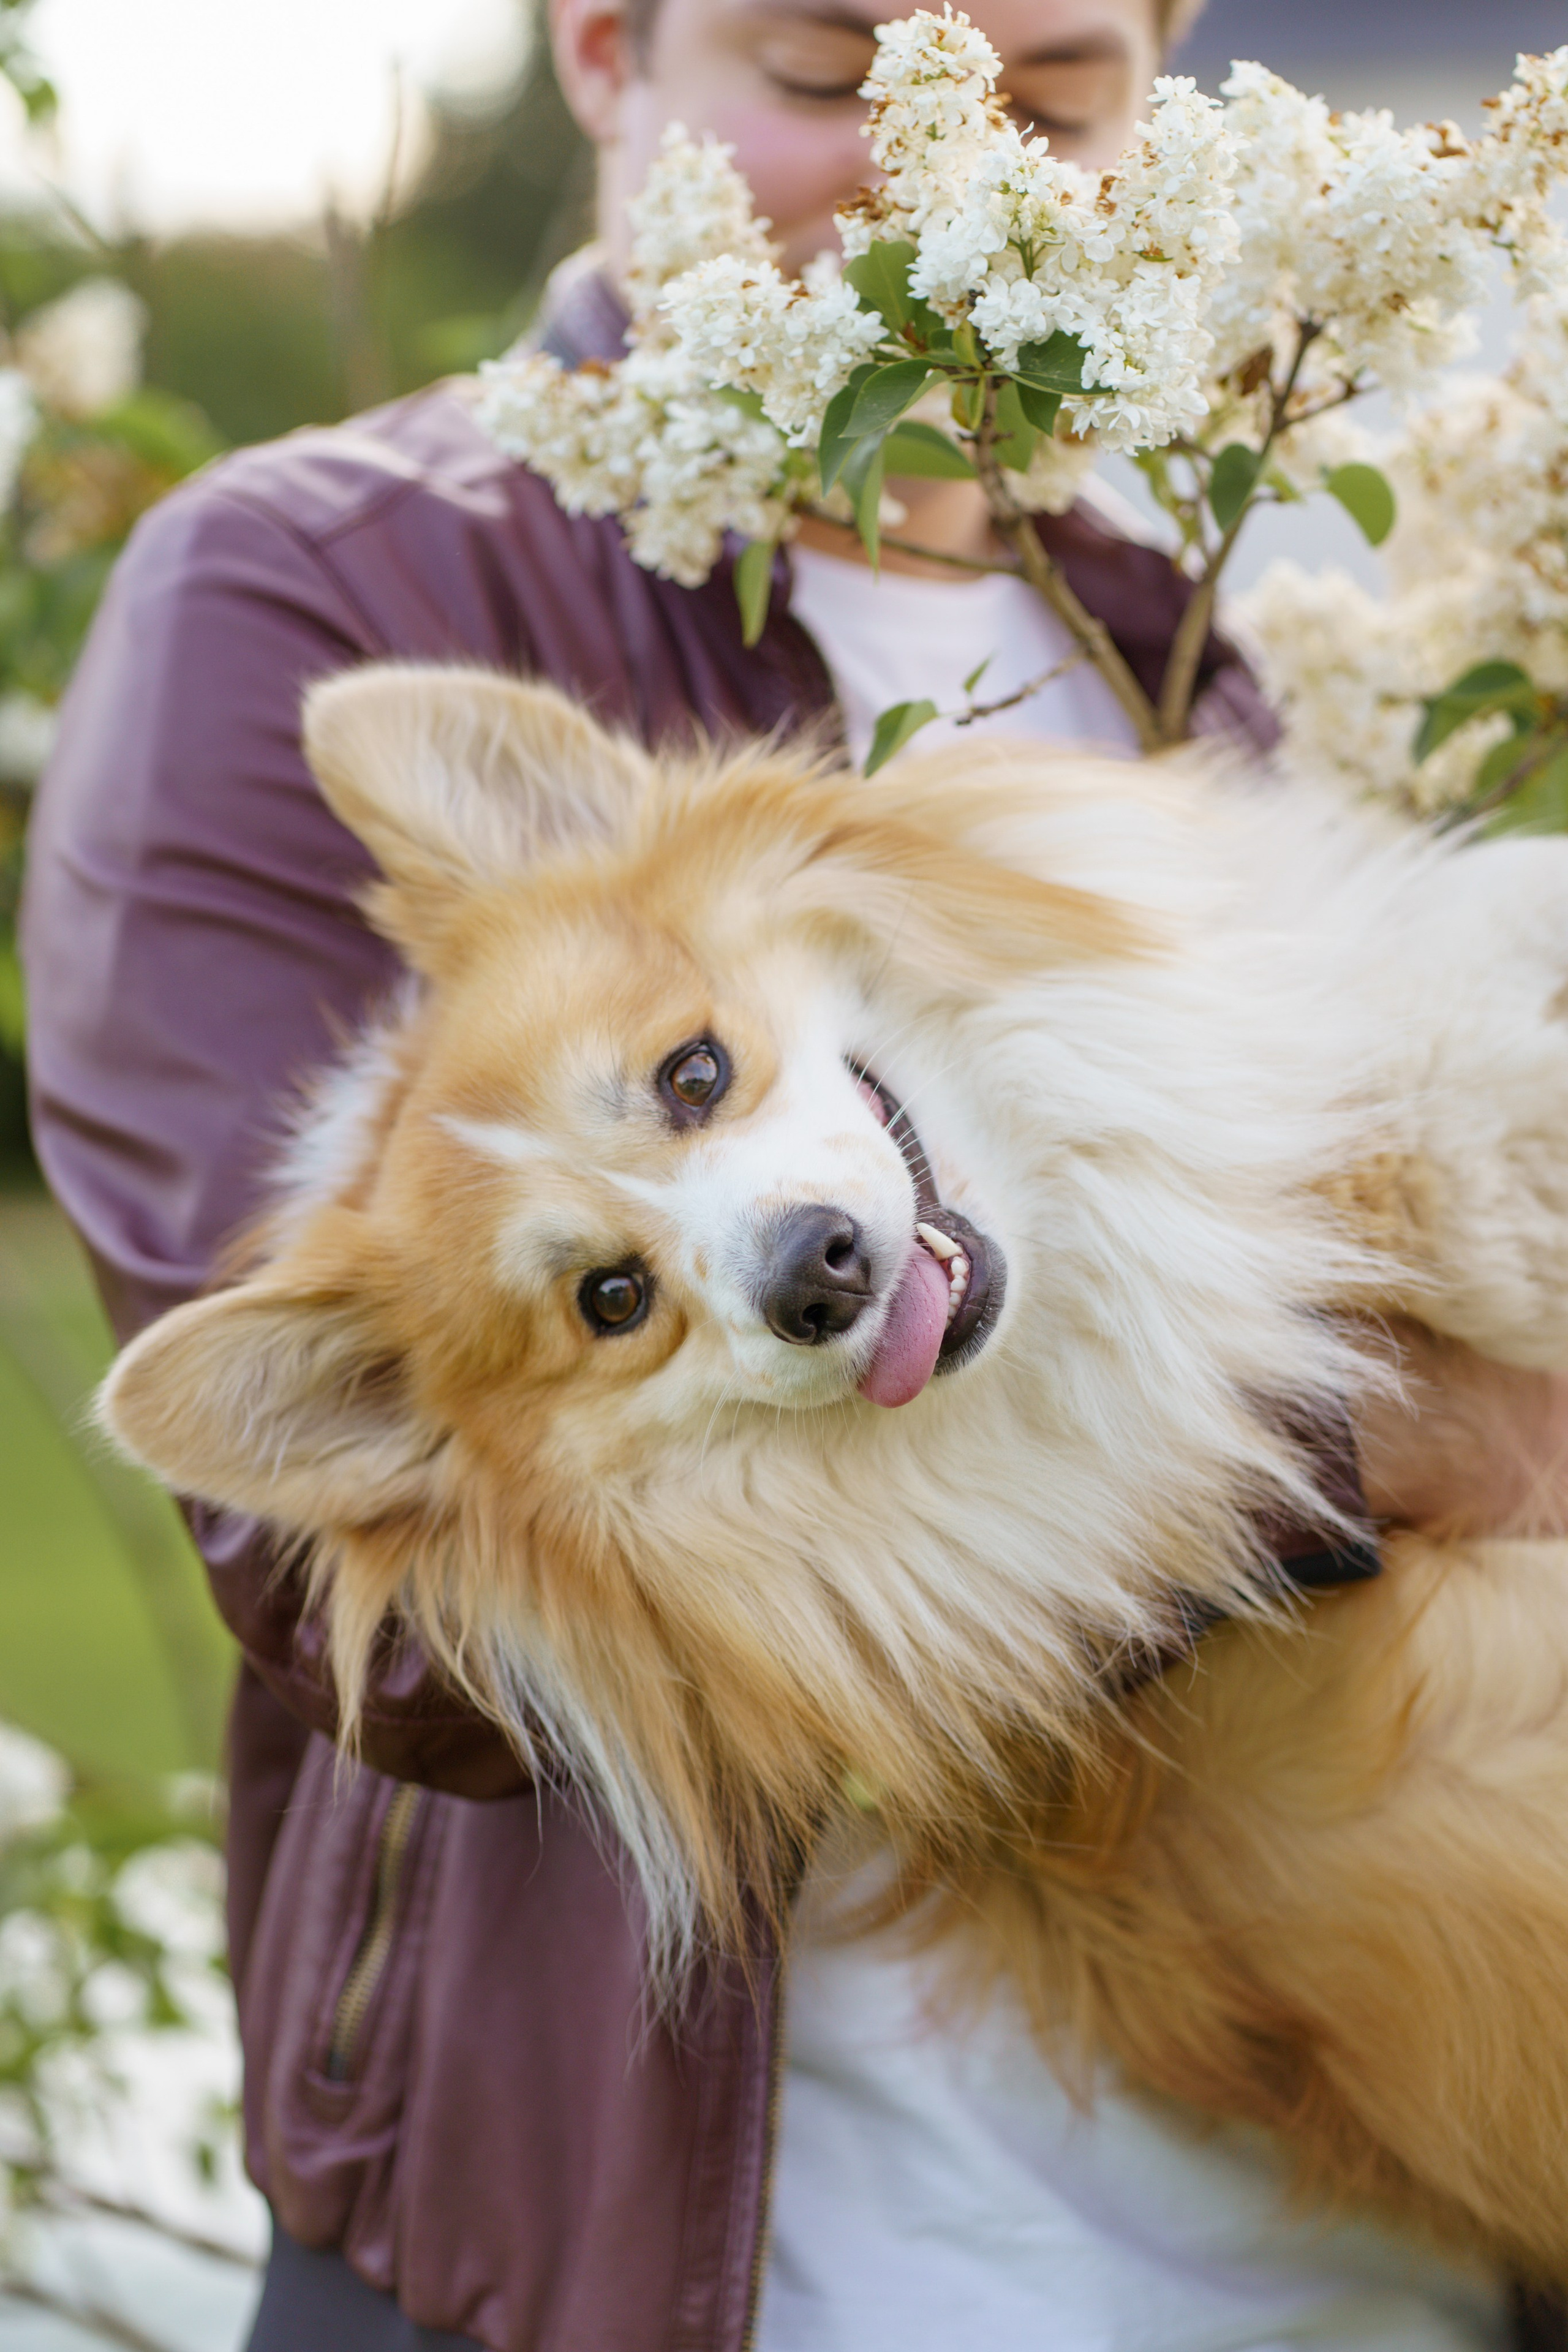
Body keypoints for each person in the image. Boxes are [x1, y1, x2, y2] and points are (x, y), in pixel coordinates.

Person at [18, 0, 1568, 2343]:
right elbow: (388, 1609)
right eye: (837, 79)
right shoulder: (313, 582)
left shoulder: (1188, 597)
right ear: (607, 52)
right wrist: (1382, 1425)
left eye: (1054, 99)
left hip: (1354, 2235)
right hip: (764, 2254)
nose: (951, 182)